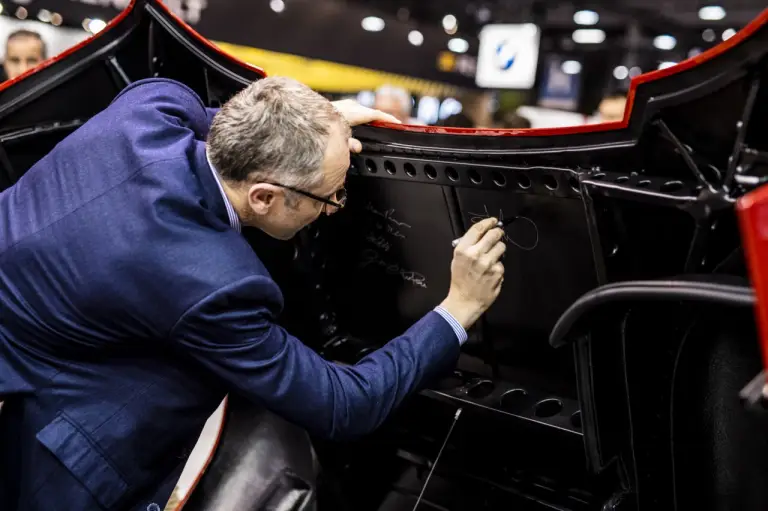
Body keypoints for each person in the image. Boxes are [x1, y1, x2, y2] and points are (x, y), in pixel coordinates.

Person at [0, 76, 506, 510]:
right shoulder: (210, 283)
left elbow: (217, 121)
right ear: (263, 197)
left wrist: (320, 127)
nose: (334, 207)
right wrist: (459, 308)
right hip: (59, 442)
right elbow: (343, 405)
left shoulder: (150, 108)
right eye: (330, 194)